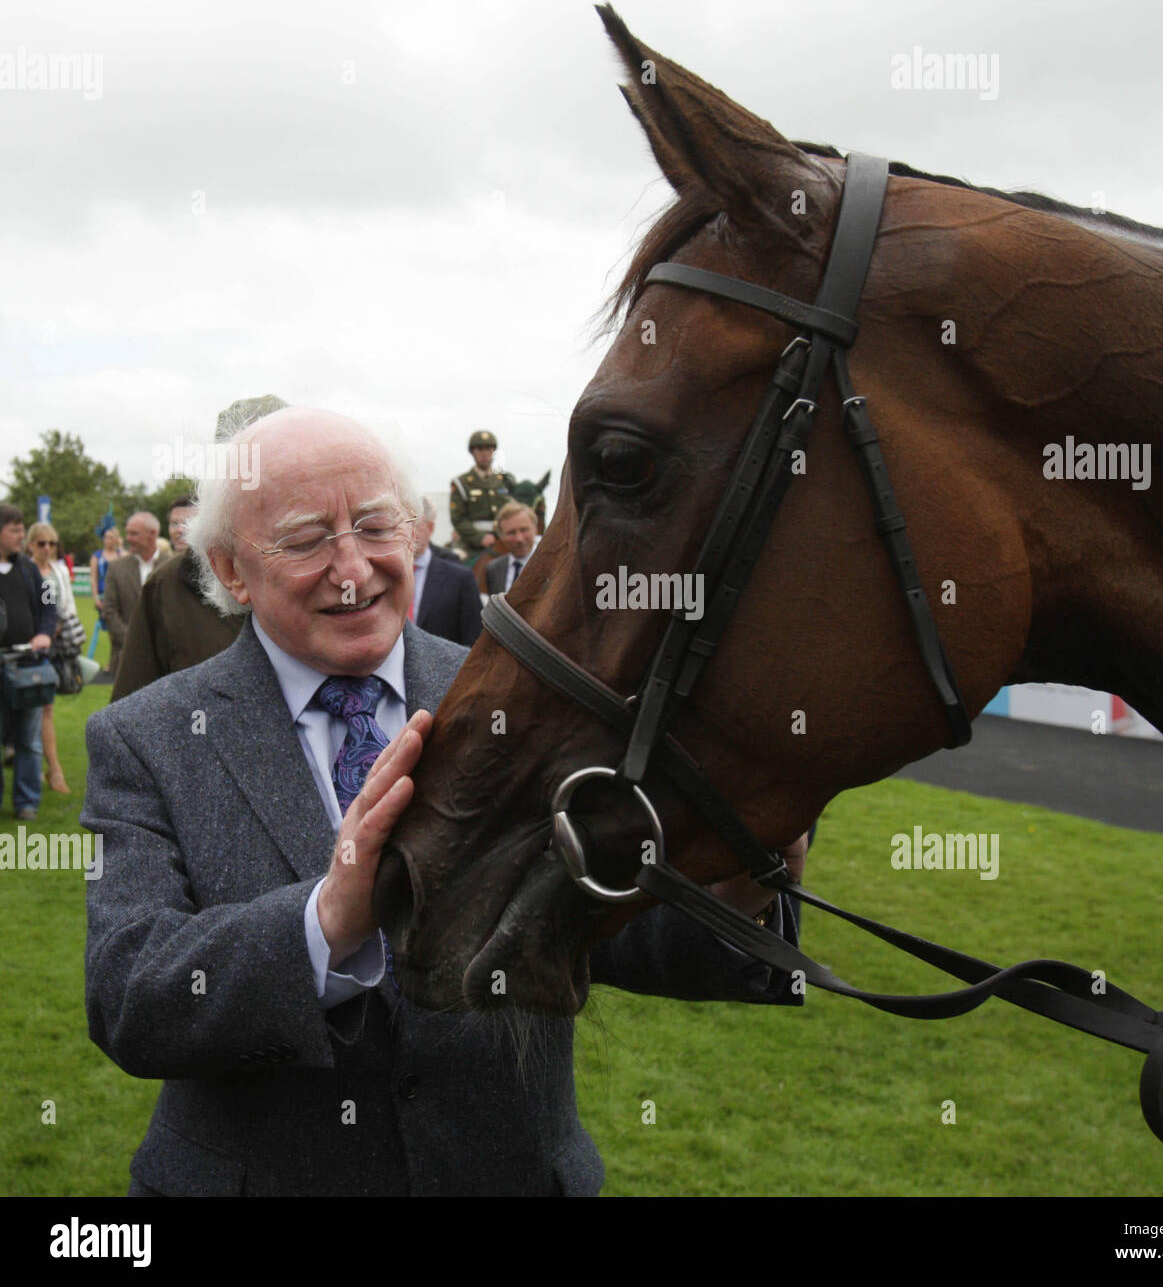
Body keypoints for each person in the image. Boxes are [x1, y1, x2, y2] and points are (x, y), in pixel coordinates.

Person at [82, 408, 803, 1197]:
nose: (351, 567)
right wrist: (327, 921)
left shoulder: (532, 701)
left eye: (373, 525)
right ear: (228, 570)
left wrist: (742, 882)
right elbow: (131, 995)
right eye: (305, 538)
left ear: (415, 535)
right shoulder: (146, 738)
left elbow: (605, 923)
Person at [111, 494, 242, 701]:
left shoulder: (270, 573)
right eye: (174, 523)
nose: (180, 530)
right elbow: (135, 681)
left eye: (187, 522)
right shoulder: (162, 581)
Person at [0, 504, 57, 821]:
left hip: (27, 665)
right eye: (15, 530)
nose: (22, 535)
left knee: (28, 739)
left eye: (23, 529)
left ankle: (27, 804)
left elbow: (50, 607)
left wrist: (45, 634)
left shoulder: (30, 569)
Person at [25, 522, 73, 793]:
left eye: (52, 543)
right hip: (31, 648)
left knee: (45, 707)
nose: (47, 548)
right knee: (39, 707)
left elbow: (66, 607)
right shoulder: (25, 572)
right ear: (30, 544)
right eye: (41, 543)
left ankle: (52, 770)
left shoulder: (59, 572)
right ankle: (52, 770)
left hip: (56, 648)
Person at [100, 511, 171, 680]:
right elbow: (109, 611)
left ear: (152, 534)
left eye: (134, 533)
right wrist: (134, 641)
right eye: (128, 533)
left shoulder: (172, 566)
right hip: (125, 660)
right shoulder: (116, 568)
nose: (127, 538)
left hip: (166, 661)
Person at [411, 495, 481, 645]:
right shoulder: (383, 575)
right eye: (402, 524)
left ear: (430, 528)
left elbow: (474, 639)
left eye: (415, 524)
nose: (408, 531)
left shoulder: (460, 579)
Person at [449, 429, 515, 554]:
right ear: (472, 452)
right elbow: (458, 519)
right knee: (456, 563)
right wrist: (480, 538)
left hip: (504, 538)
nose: (484, 453)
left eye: (488, 449)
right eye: (479, 449)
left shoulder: (506, 480)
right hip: (471, 543)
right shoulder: (461, 483)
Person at [484, 500, 539, 594]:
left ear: (535, 529)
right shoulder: (493, 569)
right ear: (501, 536)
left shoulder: (552, 565)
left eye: (524, 530)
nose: (519, 539)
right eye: (511, 533)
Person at [89, 527, 122, 616]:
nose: (108, 540)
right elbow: (93, 578)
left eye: (111, 537)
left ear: (116, 539)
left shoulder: (122, 555)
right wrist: (96, 597)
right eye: (106, 537)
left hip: (119, 594)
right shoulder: (97, 556)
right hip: (103, 594)